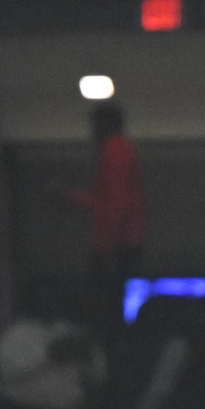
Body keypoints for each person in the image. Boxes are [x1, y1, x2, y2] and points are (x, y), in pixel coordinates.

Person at [69, 102, 146, 316]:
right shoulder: (120, 149)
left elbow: (115, 202)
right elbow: (107, 200)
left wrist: (107, 249)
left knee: (105, 303)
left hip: (117, 243)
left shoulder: (114, 151)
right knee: (110, 301)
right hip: (122, 241)